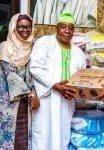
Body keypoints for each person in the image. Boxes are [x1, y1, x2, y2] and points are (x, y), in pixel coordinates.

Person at [30, 11, 86, 150]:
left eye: (71, 27)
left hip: (67, 100)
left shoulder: (78, 52)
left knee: (62, 135)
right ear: (57, 28)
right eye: (63, 27)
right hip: (47, 98)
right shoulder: (45, 42)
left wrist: (76, 90)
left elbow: (82, 76)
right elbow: (35, 68)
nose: (67, 31)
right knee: (43, 135)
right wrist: (55, 85)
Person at [0, 13, 39, 149]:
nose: (25, 30)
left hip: (27, 103)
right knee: (7, 137)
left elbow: (35, 72)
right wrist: (31, 95)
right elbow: (10, 74)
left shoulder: (34, 47)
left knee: (24, 137)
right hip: (9, 101)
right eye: (21, 27)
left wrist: (34, 95)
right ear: (14, 27)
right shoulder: (5, 47)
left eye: (28, 27)